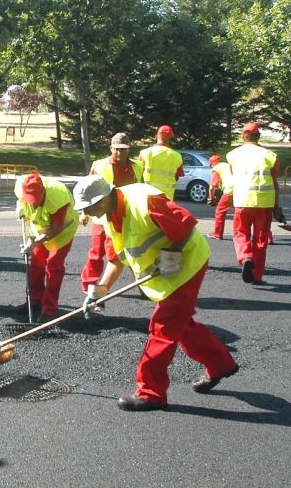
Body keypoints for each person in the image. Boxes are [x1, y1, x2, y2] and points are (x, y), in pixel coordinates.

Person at [73, 175, 239, 411]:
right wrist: (99, 292)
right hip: (166, 274)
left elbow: (185, 224)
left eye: (89, 206)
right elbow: (116, 260)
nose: (88, 212)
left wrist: (169, 258)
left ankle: (151, 393)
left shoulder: (145, 200)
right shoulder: (109, 217)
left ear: (103, 198)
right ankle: (220, 363)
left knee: (162, 328)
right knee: (180, 324)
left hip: (187, 266)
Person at [80, 132, 143, 292]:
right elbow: (87, 190)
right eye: (116, 149)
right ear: (111, 149)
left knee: (128, 253)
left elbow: (140, 189)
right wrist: (84, 212)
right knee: (96, 253)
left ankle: (143, 285)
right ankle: (89, 286)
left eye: (124, 149)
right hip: (101, 219)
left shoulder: (137, 166)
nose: (120, 153)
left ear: (129, 149)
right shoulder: (100, 165)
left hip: (124, 218)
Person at [15, 173, 79, 321]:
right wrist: (21, 209)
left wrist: (34, 242)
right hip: (39, 226)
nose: (33, 204)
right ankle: (34, 301)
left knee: (54, 266)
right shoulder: (20, 187)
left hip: (62, 231)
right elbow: (21, 202)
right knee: (36, 264)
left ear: (43, 191)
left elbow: (56, 228)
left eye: (36, 200)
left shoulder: (58, 198)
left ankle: (50, 310)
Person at [226, 122, 284, 284]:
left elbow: (234, 177)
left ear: (243, 136)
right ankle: (257, 276)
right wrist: (277, 207)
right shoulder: (271, 156)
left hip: (242, 202)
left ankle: (245, 258)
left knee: (240, 233)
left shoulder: (232, 155)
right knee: (260, 239)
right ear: (258, 136)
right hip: (264, 203)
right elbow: (274, 182)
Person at [138, 125, 184, 200]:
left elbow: (138, 174)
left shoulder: (145, 153)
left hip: (148, 196)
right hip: (168, 199)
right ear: (170, 138)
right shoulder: (177, 156)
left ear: (157, 136)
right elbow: (177, 177)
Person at [207, 155, 234, 239]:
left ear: (211, 164)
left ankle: (217, 234)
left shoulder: (215, 169)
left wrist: (211, 199)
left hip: (230, 190)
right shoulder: (227, 165)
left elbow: (212, 187)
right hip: (241, 190)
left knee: (220, 212)